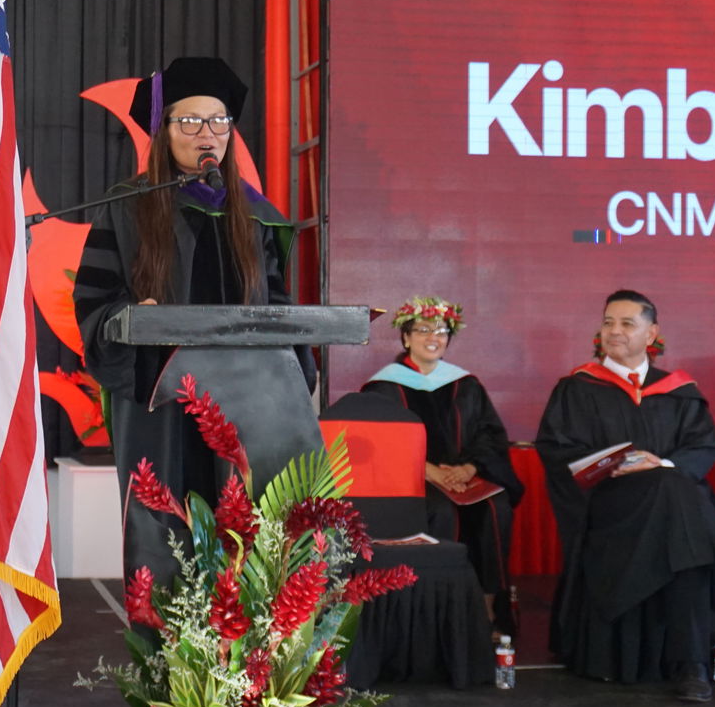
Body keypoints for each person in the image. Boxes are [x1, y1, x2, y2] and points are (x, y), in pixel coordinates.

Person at [73, 56, 306, 589]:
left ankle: (241, 641)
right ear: (164, 132)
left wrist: (293, 371)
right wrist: (132, 318)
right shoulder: (129, 208)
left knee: (246, 530)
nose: (208, 134)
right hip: (161, 397)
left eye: (219, 121)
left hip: (246, 399)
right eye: (191, 121)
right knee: (164, 527)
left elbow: (279, 305)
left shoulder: (256, 216)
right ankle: (168, 638)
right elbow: (94, 299)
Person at [536, 290, 715, 702]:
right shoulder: (576, 388)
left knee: (682, 524)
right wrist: (620, 463)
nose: (614, 331)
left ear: (651, 334)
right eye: (608, 322)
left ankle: (693, 666)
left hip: (672, 507)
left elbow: (703, 447)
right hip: (612, 507)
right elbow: (558, 452)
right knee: (683, 506)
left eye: (627, 323)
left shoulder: (678, 390)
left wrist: (661, 464)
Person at [362, 295, 524, 632]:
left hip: (464, 477)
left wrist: (470, 468)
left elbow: (490, 433)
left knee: (494, 508)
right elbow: (379, 444)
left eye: (441, 331)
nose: (433, 337)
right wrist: (429, 471)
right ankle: (436, 614)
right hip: (412, 480)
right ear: (406, 337)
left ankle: (487, 610)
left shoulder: (466, 384)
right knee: (442, 512)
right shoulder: (384, 387)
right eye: (423, 330)